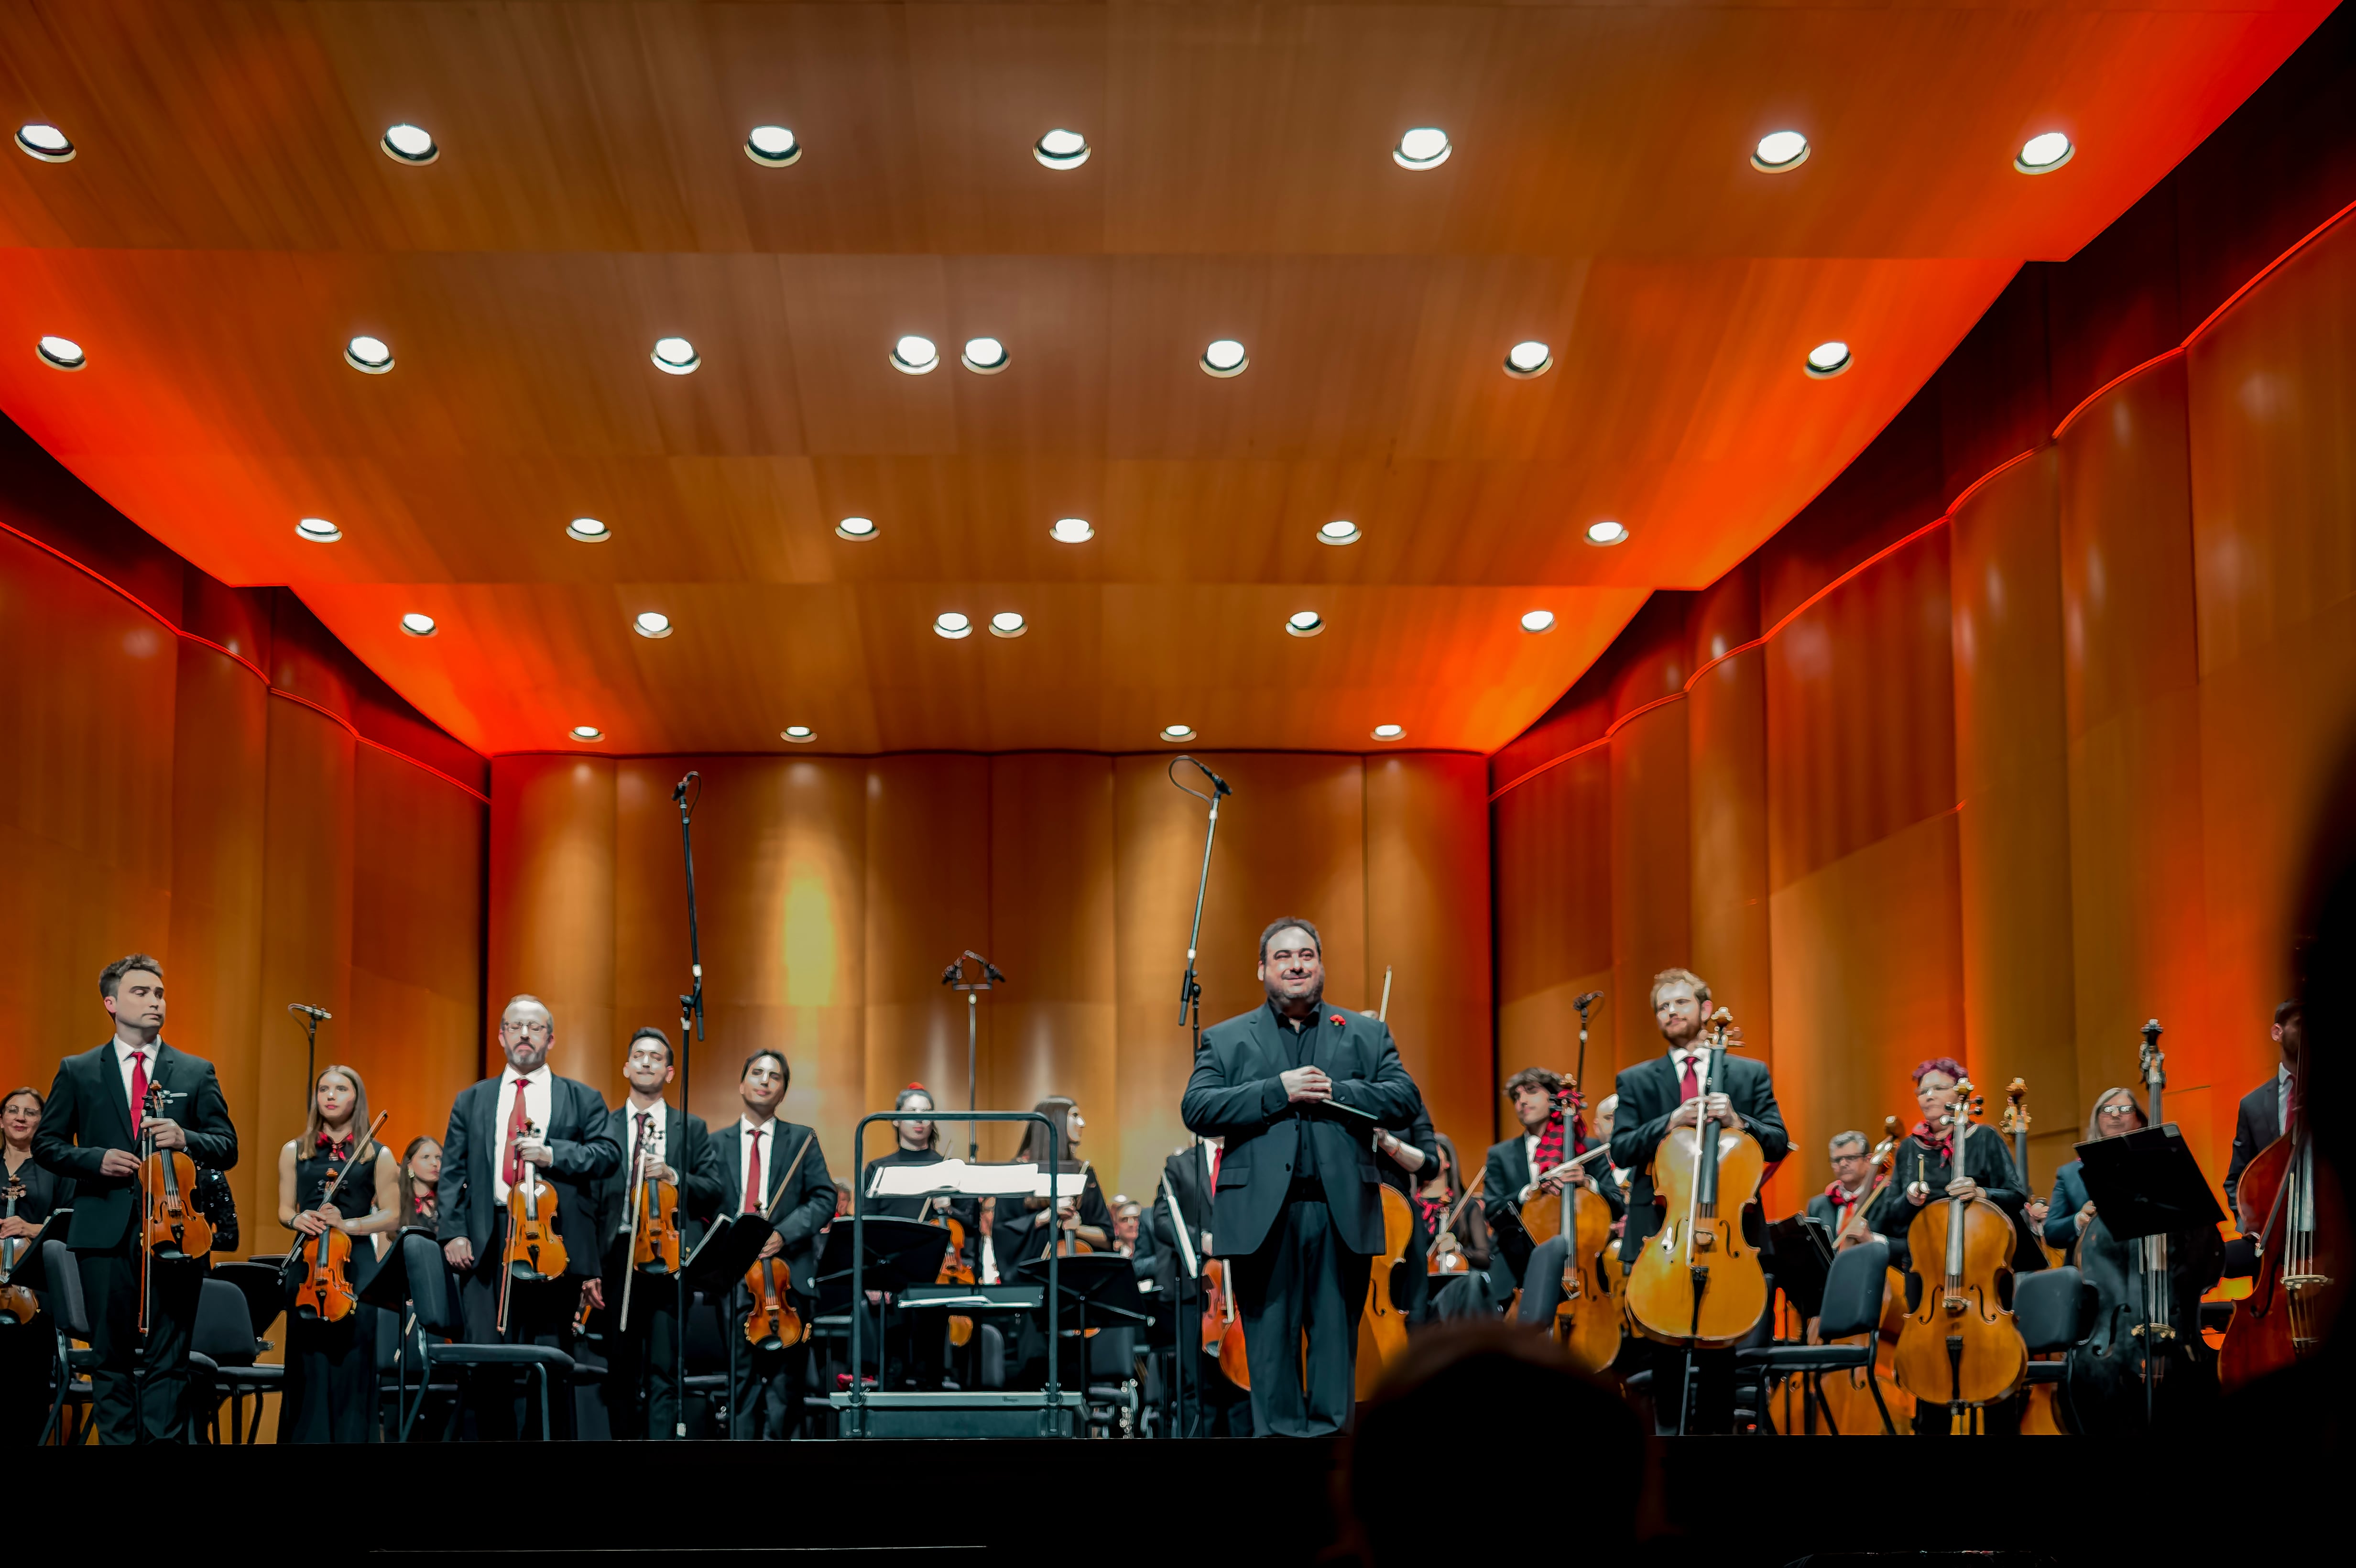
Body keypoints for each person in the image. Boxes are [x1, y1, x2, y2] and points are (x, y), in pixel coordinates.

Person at [1179, 917, 1422, 1437]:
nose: (1296, 964)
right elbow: (1196, 1108)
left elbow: (1404, 1099)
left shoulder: (1365, 1032)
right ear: (1263, 969)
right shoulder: (1225, 1039)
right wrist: (1278, 1090)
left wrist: (1336, 1091)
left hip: (1341, 1214)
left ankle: (1333, 1476)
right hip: (1260, 1219)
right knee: (1268, 1356)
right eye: (1284, 956)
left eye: (1307, 955)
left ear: (1320, 965)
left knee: (1336, 1352)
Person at [34, 955, 237, 1443]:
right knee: (110, 1357)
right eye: (141, 992)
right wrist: (96, 1159)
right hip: (105, 1228)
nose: (155, 1001)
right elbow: (48, 1143)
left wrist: (185, 1136)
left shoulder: (194, 1070)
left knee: (171, 1356)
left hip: (178, 1227)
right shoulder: (79, 1069)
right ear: (111, 1002)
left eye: (159, 993)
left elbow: (227, 1145)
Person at [1607, 967, 1789, 1434]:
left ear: (1705, 1010)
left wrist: (1739, 1119)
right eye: (1662, 1007)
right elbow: (1622, 1148)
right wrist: (1668, 1121)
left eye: (1680, 1003)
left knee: (1719, 1354)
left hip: (1729, 1234)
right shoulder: (1636, 1080)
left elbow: (1778, 1140)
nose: (1670, 1012)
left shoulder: (1749, 1074)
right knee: (1664, 1352)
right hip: (1661, 1232)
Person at [437, 993, 619, 1438]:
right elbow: (452, 1173)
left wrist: (554, 1154)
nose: (524, 1035)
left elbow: (608, 1155)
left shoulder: (583, 1097)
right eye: (515, 1026)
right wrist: (453, 1232)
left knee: (548, 1361)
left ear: (551, 1039)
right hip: (488, 1239)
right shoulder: (471, 1099)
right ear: (501, 1036)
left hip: (551, 1244)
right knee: (487, 1364)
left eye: (535, 1028)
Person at [2045, 1085, 2223, 1431]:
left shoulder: (2168, 1167)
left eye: (2124, 1110)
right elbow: (2053, 1232)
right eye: (2107, 1110)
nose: (2115, 1116)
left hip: (2166, 1288)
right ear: (2096, 1119)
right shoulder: (2071, 1174)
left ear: (2140, 1119)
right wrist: (2080, 1219)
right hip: (2105, 1298)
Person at [1865, 1056, 2026, 1436]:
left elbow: (2017, 1196)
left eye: (1938, 1088)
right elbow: (1887, 1219)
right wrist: (1909, 1199)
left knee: (1995, 1386)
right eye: (1922, 1091)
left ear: (1961, 1092)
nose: (1928, 1097)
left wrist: (1982, 1192)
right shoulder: (1909, 1150)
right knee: (1931, 1385)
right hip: (1929, 1275)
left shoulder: (1983, 1138)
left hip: (1982, 1270)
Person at [589, 1027, 722, 1440]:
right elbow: (588, 1203)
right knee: (620, 1366)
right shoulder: (603, 1127)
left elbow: (714, 1190)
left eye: (656, 1057)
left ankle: (662, 1457)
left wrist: (674, 1175)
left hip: (669, 1254)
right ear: (626, 1066)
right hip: (617, 1255)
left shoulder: (692, 1127)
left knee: (666, 1366)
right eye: (639, 1055)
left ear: (669, 1072)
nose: (646, 1062)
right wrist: (589, 1268)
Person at [711, 1048, 833, 1438]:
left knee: (786, 1389)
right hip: (734, 1280)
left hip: (787, 1281)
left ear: (783, 1092)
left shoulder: (803, 1139)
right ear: (741, 1083)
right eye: (757, 1073)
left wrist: (783, 1233)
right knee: (740, 1383)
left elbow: (823, 1198)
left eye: (775, 1077)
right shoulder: (714, 1144)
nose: (765, 1081)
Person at [276, 1064, 399, 1442]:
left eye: (341, 1089)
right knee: (306, 1366)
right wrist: (299, 1219)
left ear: (356, 1098)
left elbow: (392, 1213)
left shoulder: (377, 1154)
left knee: (353, 1364)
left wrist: (351, 1224)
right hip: (309, 1266)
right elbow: (284, 1209)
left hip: (356, 1266)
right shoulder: (294, 1150)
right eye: (324, 1089)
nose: (330, 1096)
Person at [1484, 1066, 1624, 1328]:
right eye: (1516, 1097)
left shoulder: (1587, 1148)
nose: (1522, 1101)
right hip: (1519, 1268)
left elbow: (1617, 1204)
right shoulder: (1500, 1155)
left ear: (1554, 1099)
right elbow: (1491, 1209)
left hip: (1581, 1264)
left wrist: (1588, 1182)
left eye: (1531, 1092)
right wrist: (1529, 1192)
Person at [858, 1084, 975, 1391]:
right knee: (893, 1365)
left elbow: (972, 1224)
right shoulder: (879, 1168)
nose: (919, 1119)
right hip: (891, 1275)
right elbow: (868, 1226)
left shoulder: (950, 1168)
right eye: (911, 1113)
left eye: (926, 1113)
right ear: (896, 1120)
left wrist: (950, 1209)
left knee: (931, 1365)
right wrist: (872, 1276)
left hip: (937, 1277)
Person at [1149, 1134, 1253, 1436]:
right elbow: (1162, 1219)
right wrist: (1202, 1240)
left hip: (1242, 1293)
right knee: (1198, 1389)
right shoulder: (1179, 1165)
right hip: (1198, 1296)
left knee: (1242, 1387)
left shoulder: (1247, 1156)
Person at [0, 1087, 70, 1443]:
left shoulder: (56, 1170)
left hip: (36, 1291)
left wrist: (30, 1228)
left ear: (41, 1123)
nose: (20, 1118)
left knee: (29, 1388)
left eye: (30, 1113)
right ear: (1, 1120)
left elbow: (71, 1224)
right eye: (13, 1110)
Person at [994, 1097, 1114, 1266]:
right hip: (1031, 1276)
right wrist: (1045, 1217)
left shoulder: (1085, 1173)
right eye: (1074, 1116)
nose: (1082, 1123)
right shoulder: (1016, 1173)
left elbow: (1107, 1237)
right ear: (1056, 1121)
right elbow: (1003, 1234)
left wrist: (1078, 1229)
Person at [2225, 1001, 2301, 1226]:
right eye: (2300, 1025)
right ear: (2277, 1032)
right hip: (2273, 1231)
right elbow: (2236, 1180)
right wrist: (2249, 1226)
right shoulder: (2252, 1105)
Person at [1414, 1134, 1496, 1322]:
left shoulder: (1467, 1207)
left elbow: (1485, 1257)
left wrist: (1458, 1249)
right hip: (1420, 1289)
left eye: (1433, 1151)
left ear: (1448, 1162)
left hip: (1461, 1292)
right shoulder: (1409, 1207)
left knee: (1474, 1283)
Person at [1373, 1105, 1441, 1323]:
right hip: (1344, 1203)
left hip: (1398, 1210)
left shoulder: (1409, 1104)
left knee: (1412, 1297)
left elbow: (1431, 1165)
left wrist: (1387, 1141)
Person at [1807, 1130, 1877, 1245]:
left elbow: (1904, 1246)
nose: (1843, 1164)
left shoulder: (1885, 1198)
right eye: (1837, 1160)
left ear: (1868, 1160)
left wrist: (1871, 1239)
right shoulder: (1817, 1205)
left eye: (1851, 1158)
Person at [391, 1135, 441, 1247]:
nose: (434, 1163)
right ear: (410, 1165)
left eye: (439, 1158)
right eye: (426, 1157)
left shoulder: (448, 1201)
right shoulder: (397, 1201)